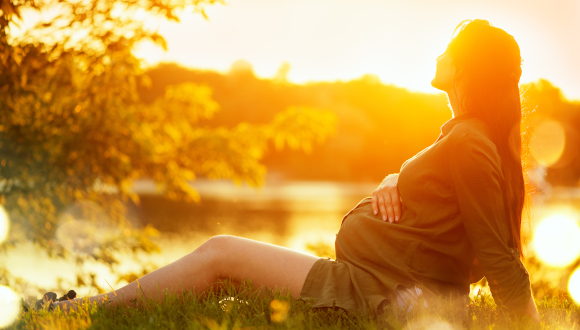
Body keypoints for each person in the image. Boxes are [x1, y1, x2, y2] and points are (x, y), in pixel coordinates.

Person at [38, 19, 540, 322]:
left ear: (467, 67)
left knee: (221, 253)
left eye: (450, 49)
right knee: (224, 266)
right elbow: (450, 218)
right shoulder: (461, 133)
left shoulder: (470, 140)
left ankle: (81, 311)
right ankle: (94, 306)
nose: (439, 53)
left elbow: (499, 258)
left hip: (372, 295)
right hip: (370, 283)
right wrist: (394, 182)